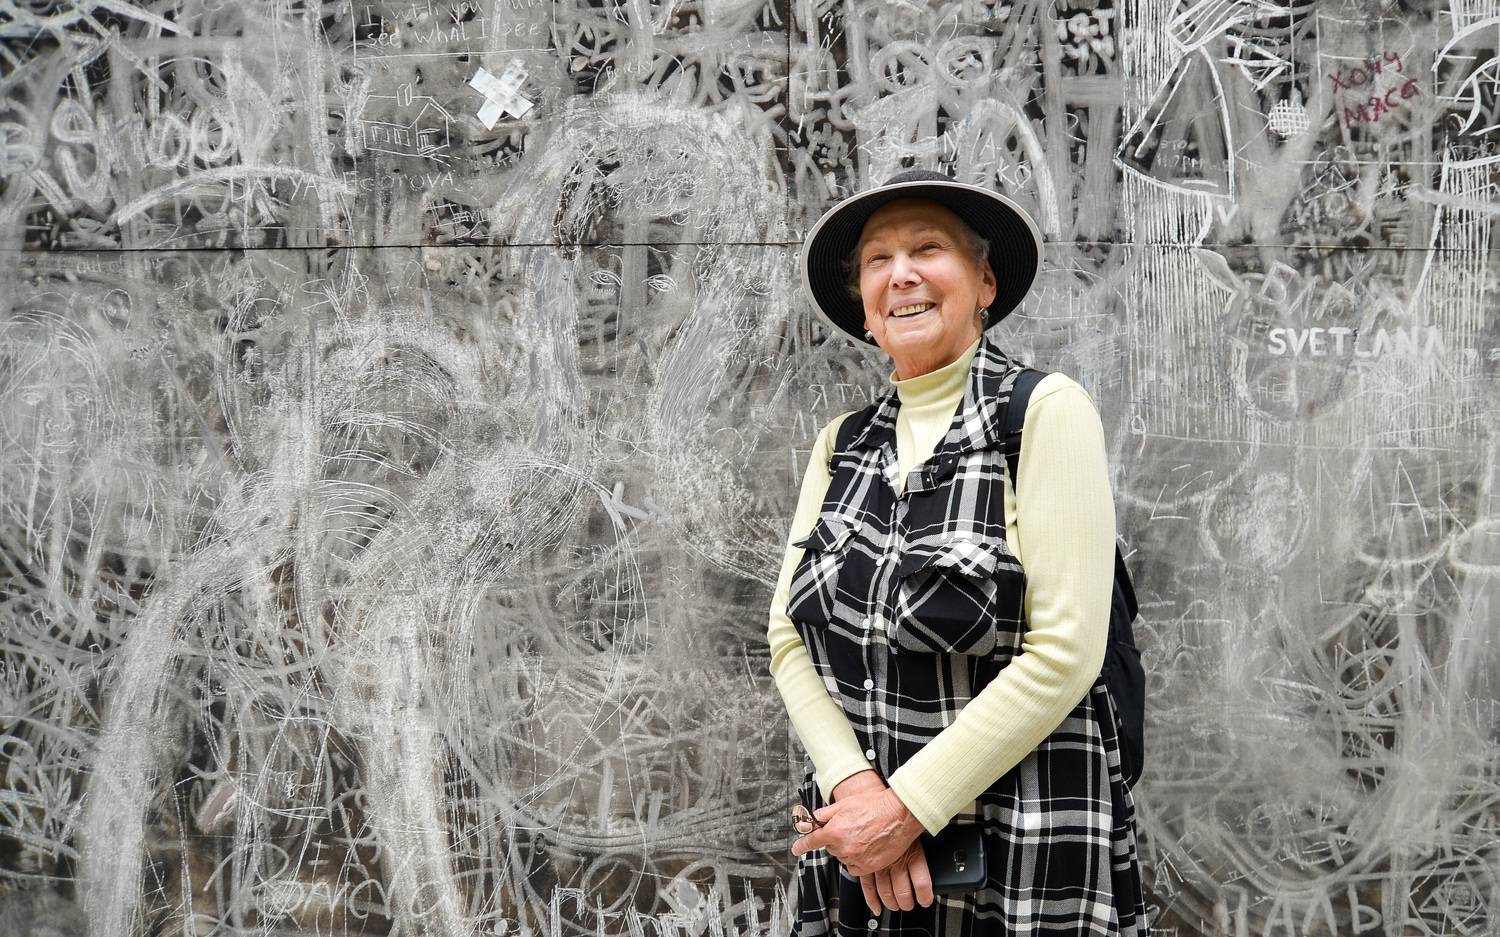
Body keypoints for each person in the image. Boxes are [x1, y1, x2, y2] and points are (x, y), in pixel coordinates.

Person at [767, 169, 1148, 936]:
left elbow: (1066, 652)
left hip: (1023, 834)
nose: (901, 273)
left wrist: (905, 810)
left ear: (984, 282)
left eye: (927, 248)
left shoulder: (1042, 412)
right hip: (865, 853)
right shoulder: (841, 444)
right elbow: (786, 636)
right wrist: (857, 792)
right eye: (878, 259)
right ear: (865, 308)